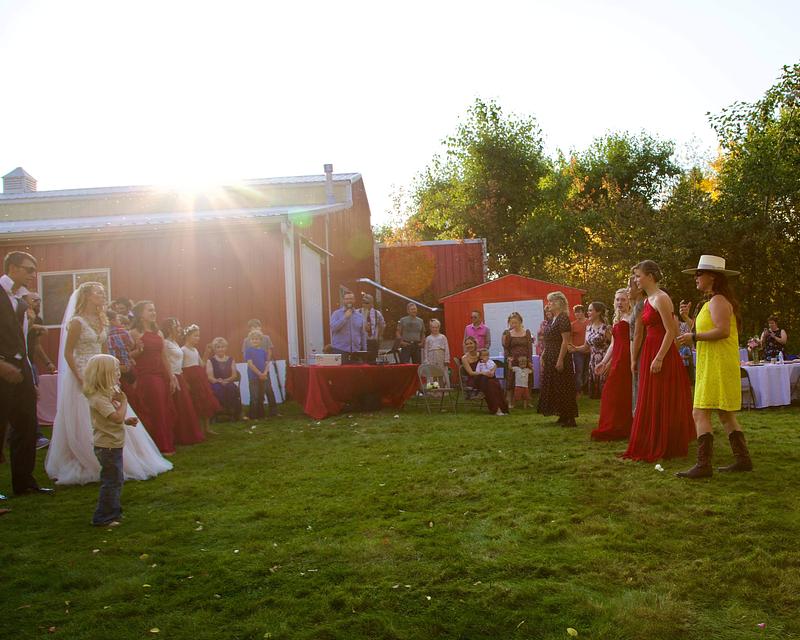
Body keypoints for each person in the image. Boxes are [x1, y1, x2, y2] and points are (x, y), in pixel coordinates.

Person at [45, 285, 172, 484]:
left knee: (112, 407)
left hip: (102, 373)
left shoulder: (102, 320)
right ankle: (87, 458)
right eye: (98, 292)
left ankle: (125, 457)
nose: (102, 295)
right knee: (85, 414)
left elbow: (105, 351)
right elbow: (68, 352)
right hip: (83, 371)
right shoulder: (77, 322)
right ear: (86, 296)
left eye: (103, 293)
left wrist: (112, 372)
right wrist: (79, 376)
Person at [676, 255, 753, 478]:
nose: (695, 278)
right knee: (725, 414)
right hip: (713, 362)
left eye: (699, 274)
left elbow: (722, 331)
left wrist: (694, 336)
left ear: (712, 276)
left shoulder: (718, 300)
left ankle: (704, 465)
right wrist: (687, 319)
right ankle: (743, 460)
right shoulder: (712, 302)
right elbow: (707, 328)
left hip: (718, 364)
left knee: (699, 412)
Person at [622, 261, 695, 462]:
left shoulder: (662, 298)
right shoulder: (648, 300)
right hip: (650, 350)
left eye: (638, 275)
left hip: (661, 352)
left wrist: (660, 357)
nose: (636, 280)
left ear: (650, 276)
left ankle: (666, 441)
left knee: (662, 396)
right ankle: (652, 438)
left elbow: (671, 331)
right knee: (651, 396)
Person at [0, 251, 52, 497]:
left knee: (27, 426)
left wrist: (29, 377)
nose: (33, 275)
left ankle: (24, 483)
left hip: (21, 370)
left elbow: (21, 340)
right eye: (29, 269)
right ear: (12, 268)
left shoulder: (21, 301)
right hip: (2, 367)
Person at [84, 354, 138, 527]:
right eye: (115, 371)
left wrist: (126, 421)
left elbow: (111, 418)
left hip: (112, 444)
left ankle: (113, 512)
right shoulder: (99, 399)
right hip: (107, 446)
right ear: (104, 374)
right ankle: (103, 517)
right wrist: (124, 401)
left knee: (115, 480)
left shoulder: (105, 396)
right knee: (111, 482)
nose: (118, 374)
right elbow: (115, 418)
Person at [129, 300, 177, 454]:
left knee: (163, 409)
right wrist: (138, 351)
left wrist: (171, 376)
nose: (153, 312)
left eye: (154, 309)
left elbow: (164, 357)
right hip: (146, 376)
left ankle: (163, 443)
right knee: (155, 410)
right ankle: (158, 446)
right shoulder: (134, 333)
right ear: (140, 314)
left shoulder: (159, 333)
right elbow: (127, 356)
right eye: (149, 310)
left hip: (160, 374)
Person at [591, 289, 633, 441]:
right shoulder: (617, 319)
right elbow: (613, 344)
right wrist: (604, 362)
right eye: (617, 300)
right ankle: (614, 425)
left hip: (628, 357)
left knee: (621, 392)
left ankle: (623, 426)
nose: (620, 302)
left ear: (629, 301)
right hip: (617, 358)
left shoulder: (633, 317)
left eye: (623, 299)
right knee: (612, 392)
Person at [538, 291, 578, 427]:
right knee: (555, 386)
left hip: (559, 355)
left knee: (564, 386)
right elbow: (549, 339)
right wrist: (544, 353)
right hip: (550, 355)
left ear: (558, 303)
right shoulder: (553, 319)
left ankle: (570, 418)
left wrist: (560, 360)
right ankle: (562, 414)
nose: (548, 304)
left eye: (551, 301)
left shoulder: (563, 318)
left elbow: (565, 341)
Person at [162, 317, 204, 445]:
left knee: (184, 407)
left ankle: (185, 434)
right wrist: (171, 377)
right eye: (177, 326)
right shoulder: (165, 343)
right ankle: (177, 436)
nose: (180, 329)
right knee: (177, 406)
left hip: (180, 375)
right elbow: (164, 360)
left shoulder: (175, 342)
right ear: (170, 328)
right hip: (172, 376)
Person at [24, 292, 53, 449]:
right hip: (17, 362)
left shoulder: (38, 319)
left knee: (32, 398)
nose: (38, 302)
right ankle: (36, 436)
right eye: (34, 300)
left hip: (30, 363)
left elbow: (36, 345)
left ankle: (34, 435)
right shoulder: (17, 316)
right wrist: (33, 324)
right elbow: (19, 332)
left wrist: (48, 362)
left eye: (39, 300)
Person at [182, 324, 221, 435]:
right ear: (188, 336)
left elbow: (202, 364)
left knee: (205, 402)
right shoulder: (183, 350)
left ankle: (207, 428)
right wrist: (185, 382)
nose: (198, 338)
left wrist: (207, 352)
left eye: (198, 336)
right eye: (195, 336)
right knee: (196, 403)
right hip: (190, 379)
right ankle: (199, 429)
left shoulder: (195, 350)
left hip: (199, 378)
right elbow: (181, 368)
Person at [570, 302, 612, 399]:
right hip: (592, 363)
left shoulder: (605, 328)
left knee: (606, 393)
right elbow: (586, 347)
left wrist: (609, 362)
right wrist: (575, 348)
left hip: (604, 361)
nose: (588, 313)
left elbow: (614, 345)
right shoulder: (588, 328)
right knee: (597, 395)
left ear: (598, 312)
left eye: (590, 310)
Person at [460, 337, 509, 415]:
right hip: (474, 379)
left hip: (486, 378)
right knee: (491, 382)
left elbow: (493, 364)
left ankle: (500, 409)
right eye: (467, 344)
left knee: (492, 383)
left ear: (475, 344)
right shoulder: (464, 358)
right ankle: (498, 410)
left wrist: (492, 371)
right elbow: (471, 373)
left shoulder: (481, 354)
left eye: (471, 343)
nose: (469, 345)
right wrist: (483, 373)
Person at [240, 319, 279, 412]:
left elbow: (269, 351)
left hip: (264, 368)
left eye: (257, 327)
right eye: (252, 328)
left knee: (268, 389)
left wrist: (266, 364)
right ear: (249, 329)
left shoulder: (266, 338)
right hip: (253, 370)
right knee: (255, 392)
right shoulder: (246, 340)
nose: (255, 329)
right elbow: (245, 354)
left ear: (260, 327)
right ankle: (257, 411)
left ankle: (273, 411)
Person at [502, 312, 533, 407]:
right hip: (513, 360)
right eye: (512, 323)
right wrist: (508, 358)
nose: (514, 325)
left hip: (524, 360)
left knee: (527, 379)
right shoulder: (508, 334)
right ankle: (510, 401)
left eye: (516, 322)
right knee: (511, 379)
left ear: (520, 322)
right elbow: (506, 348)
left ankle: (527, 401)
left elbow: (529, 347)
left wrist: (529, 360)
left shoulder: (527, 332)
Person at [207, 337, 242, 420]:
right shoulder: (210, 361)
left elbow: (234, 375)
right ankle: (220, 411)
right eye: (218, 347)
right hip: (216, 383)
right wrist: (218, 381)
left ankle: (232, 411)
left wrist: (226, 380)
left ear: (226, 348)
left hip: (228, 381)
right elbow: (210, 377)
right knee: (218, 389)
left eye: (222, 347)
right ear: (214, 349)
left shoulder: (231, 359)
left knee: (232, 388)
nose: (220, 349)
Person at [628, 274, 646, 413]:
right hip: (638, 349)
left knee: (639, 384)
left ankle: (639, 415)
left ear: (639, 289)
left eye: (630, 286)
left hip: (641, 351)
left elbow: (638, 334)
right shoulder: (637, 306)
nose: (628, 290)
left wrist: (633, 359)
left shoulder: (641, 306)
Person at [107, 310, 140, 387]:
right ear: (113, 321)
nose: (120, 322)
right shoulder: (123, 331)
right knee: (131, 386)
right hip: (125, 364)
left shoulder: (104, 333)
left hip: (112, 367)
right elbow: (131, 344)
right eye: (118, 320)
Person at [330, 291, 367, 355]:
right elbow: (333, 328)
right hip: (340, 350)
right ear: (343, 301)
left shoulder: (359, 316)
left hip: (356, 351)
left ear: (354, 300)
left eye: (351, 299)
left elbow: (362, 334)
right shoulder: (336, 314)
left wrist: (364, 350)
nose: (349, 301)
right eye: (347, 299)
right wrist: (345, 317)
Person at [474, 349, 509, 416]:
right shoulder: (479, 363)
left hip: (491, 377)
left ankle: (503, 408)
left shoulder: (490, 362)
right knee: (488, 383)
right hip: (482, 378)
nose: (485, 357)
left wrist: (490, 369)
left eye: (487, 355)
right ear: (480, 356)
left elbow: (492, 367)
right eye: (483, 355)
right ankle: (482, 392)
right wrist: (483, 373)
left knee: (495, 385)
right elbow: (477, 371)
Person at [422, 319, 450, 387]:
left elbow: (446, 348)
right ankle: (434, 389)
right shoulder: (428, 338)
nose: (435, 329)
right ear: (430, 328)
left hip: (441, 356)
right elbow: (426, 350)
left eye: (436, 327)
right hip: (431, 357)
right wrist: (426, 360)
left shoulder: (443, 337)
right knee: (433, 373)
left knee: (441, 373)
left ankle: (443, 390)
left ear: (439, 327)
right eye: (433, 327)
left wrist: (446, 359)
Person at [570, 305, 589, 395]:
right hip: (577, 351)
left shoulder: (589, 322)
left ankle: (586, 388)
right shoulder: (573, 325)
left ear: (583, 312)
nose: (577, 314)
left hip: (589, 350)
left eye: (579, 312)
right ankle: (578, 389)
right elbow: (569, 338)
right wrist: (571, 348)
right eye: (575, 313)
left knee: (587, 370)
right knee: (579, 370)